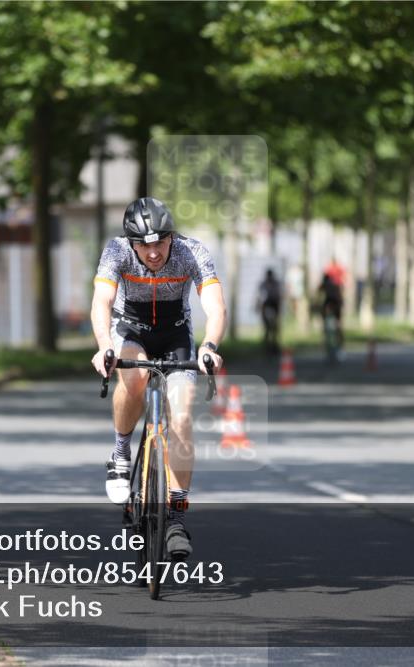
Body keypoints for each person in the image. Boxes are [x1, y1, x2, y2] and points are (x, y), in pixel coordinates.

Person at [90, 197, 226, 560]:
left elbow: (215, 305)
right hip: (130, 329)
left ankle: (176, 516)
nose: (153, 252)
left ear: (171, 237)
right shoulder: (116, 250)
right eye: (144, 245)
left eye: (160, 243)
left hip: (175, 333)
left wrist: (209, 345)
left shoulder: (191, 252)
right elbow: (101, 301)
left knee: (180, 416)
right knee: (134, 378)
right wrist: (104, 346)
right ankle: (121, 453)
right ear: (132, 243)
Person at [318, 270, 344, 361]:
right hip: (333, 313)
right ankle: (333, 350)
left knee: (333, 332)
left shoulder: (329, 287)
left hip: (333, 313)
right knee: (333, 332)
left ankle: (335, 349)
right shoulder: (333, 286)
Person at [256, 268, 282, 354]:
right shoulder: (263, 284)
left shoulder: (275, 284)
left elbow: (278, 297)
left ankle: (274, 346)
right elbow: (260, 297)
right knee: (267, 328)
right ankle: (267, 347)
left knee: (274, 328)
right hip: (266, 307)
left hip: (273, 306)